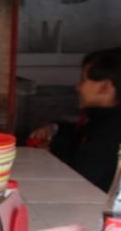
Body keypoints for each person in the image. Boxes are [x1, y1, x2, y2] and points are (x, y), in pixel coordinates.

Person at [28, 48, 121, 192]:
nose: (78, 87)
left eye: (83, 80)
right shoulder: (100, 118)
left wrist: (52, 149)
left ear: (104, 87)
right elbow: (78, 133)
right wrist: (54, 129)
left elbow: (78, 176)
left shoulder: (111, 132)